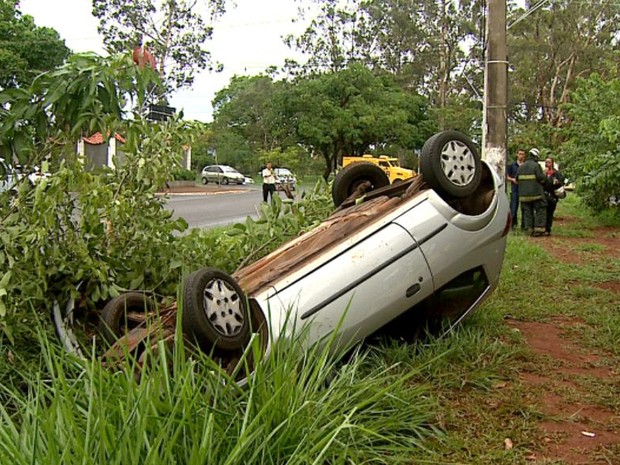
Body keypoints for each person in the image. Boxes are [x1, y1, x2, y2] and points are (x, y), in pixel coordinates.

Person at [517, 148, 548, 237]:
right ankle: (539, 230)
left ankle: (528, 229)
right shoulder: (536, 166)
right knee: (540, 209)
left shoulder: (521, 166)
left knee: (527, 212)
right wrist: (545, 175)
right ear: (536, 156)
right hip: (536, 195)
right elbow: (541, 178)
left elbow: (516, 179)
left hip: (523, 196)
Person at [543, 157, 564, 236]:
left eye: (549, 162)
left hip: (553, 196)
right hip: (544, 195)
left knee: (550, 213)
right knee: (543, 212)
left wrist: (556, 181)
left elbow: (561, 182)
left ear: (552, 163)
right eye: (546, 162)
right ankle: (543, 228)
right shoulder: (543, 172)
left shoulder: (557, 173)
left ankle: (548, 229)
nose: (547, 164)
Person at [506, 149, 526, 230]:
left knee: (524, 208)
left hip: (524, 189)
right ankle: (513, 225)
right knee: (513, 208)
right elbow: (506, 176)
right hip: (515, 189)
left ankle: (524, 226)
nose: (521, 156)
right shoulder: (512, 165)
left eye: (523, 154)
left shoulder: (525, 166)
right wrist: (513, 180)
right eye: (520, 154)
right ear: (517, 154)